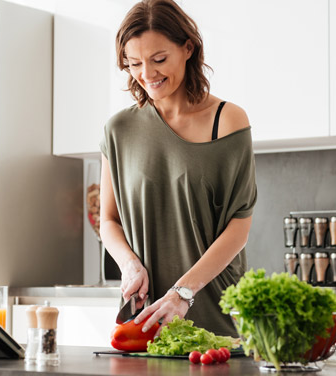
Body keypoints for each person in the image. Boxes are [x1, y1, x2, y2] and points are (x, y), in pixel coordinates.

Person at [99, 0, 257, 338]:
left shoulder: (226, 120)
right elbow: (108, 220)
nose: (147, 74)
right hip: (148, 317)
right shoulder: (118, 130)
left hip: (218, 312)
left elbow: (239, 226)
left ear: (188, 48)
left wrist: (183, 292)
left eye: (159, 60)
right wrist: (129, 265)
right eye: (134, 64)